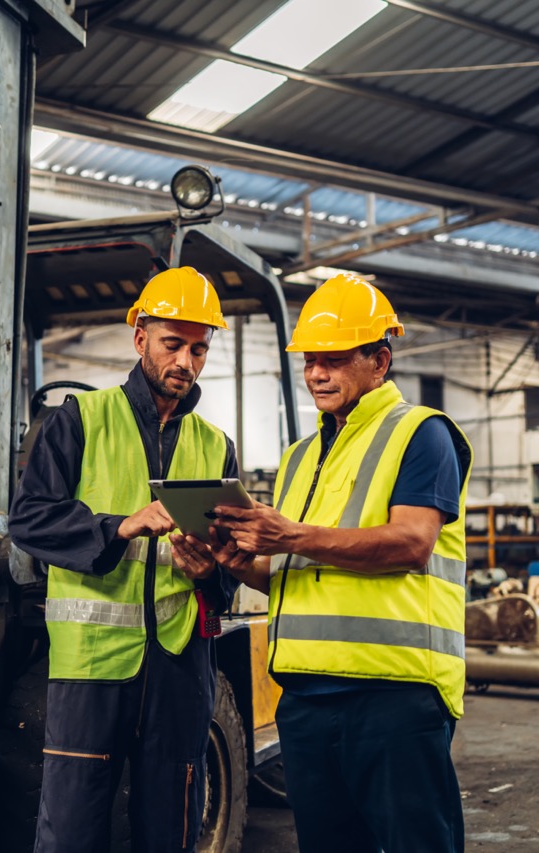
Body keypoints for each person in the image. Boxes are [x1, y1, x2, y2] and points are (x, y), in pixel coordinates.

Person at [198, 272, 473, 853]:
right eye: (310, 361)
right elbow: (291, 577)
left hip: (393, 695)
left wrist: (292, 534)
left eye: (335, 359)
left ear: (380, 359)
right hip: (305, 698)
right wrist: (234, 561)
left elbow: (411, 543)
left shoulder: (421, 435)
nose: (317, 374)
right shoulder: (300, 456)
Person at [9, 265, 241, 853]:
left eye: (199, 349)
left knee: (171, 828)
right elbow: (29, 519)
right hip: (92, 667)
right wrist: (121, 525)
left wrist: (208, 571)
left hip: (182, 665)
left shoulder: (216, 445)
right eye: (173, 344)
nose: (185, 361)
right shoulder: (78, 422)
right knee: (73, 829)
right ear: (140, 339)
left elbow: (231, 557)